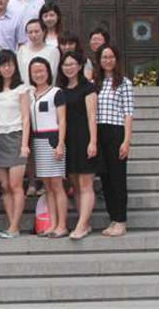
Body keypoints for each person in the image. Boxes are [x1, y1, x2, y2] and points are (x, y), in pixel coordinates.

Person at [0, 50, 31, 239]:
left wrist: (24, 143)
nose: (7, 68)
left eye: (10, 64)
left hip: (16, 136)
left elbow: (26, 118)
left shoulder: (22, 89)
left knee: (16, 185)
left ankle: (14, 226)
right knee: (5, 186)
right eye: (3, 65)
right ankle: (11, 223)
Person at [93, 45, 134, 238]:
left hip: (116, 131)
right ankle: (113, 219)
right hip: (99, 132)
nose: (107, 60)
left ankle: (121, 220)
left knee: (118, 179)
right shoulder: (95, 83)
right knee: (106, 178)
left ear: (116, 59)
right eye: (104, 57)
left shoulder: (124, 83)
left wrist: (126, 141)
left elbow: (128, 113)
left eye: (111, 57)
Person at [57, 51, 98, 240]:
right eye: (65, 65)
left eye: (72, 64)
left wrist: (93, 141)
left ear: (80, 66)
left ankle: (81, 225)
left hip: (84, 138)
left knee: (86, 184)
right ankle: (85, 222)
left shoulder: (88, 88)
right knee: (75, 183)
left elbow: (92, 116)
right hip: (68, 140)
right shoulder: (61, 90)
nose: (69, 68)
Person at [28, 57, 68, 238]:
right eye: (34, 71)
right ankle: (52, 224)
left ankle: (62, 225)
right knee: (48, 187)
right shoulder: (31, 94)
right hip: (38, 141)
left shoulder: (56, 92)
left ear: (48, 72)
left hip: (53, 140)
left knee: (57, 185)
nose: (38, 74)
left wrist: (60, 143)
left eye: (41, 71)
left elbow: (62, 120)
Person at [17, 19, 59, 85]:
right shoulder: (22, 50)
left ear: (44, 32)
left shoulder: (53, 51)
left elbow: (52, 73)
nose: (33, 35)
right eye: (30, 32)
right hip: (26, 89)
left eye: (36, 31)